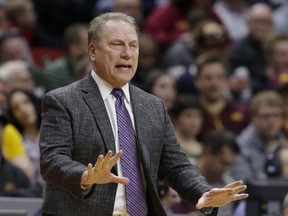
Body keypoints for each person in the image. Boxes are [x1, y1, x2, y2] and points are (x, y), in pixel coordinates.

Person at [39, 12, 248, 216]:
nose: (127, 53)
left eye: (133, 45)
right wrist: (85, 175)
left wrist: (204, 192)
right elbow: (52, 160)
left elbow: (175, 165)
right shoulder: (63, 100)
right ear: (93, 51)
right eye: (116, 44)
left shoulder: (153, 106)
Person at [231, 90, 286, 182]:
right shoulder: (240, 147)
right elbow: (244, 187)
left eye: (276, 116)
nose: (271, 121)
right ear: (253, 118)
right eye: (266, 116)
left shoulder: (284, 145)